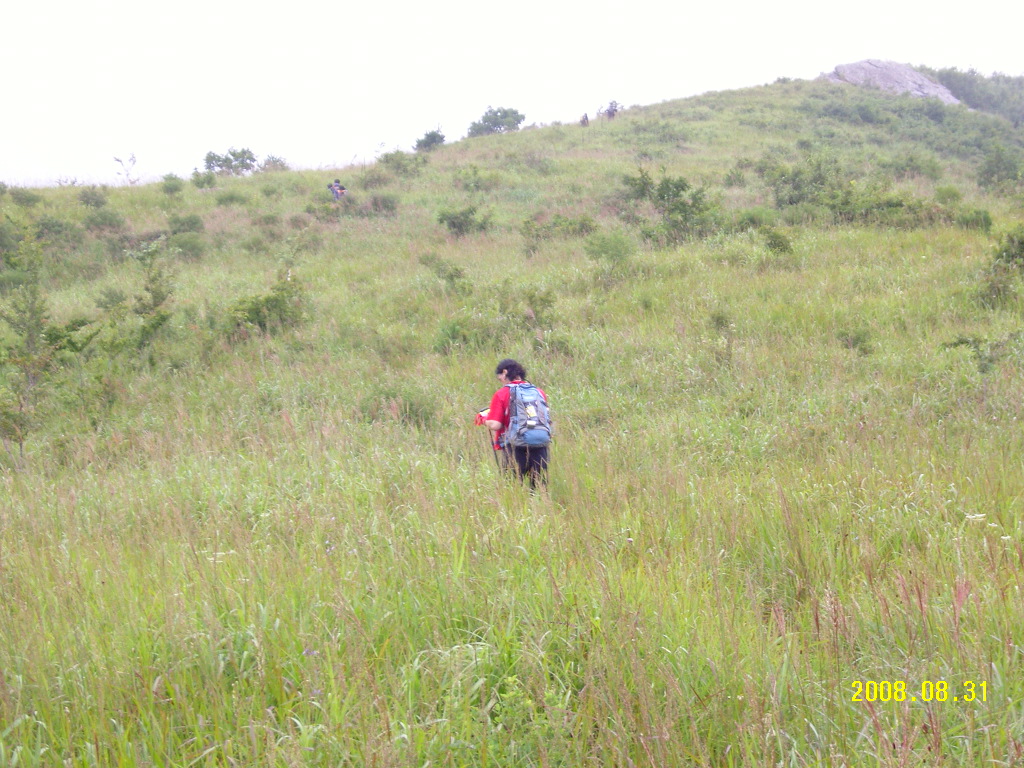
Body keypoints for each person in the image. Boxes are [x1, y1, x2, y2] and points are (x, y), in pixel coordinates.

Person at [475, 358, 550, 488]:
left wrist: (484, 419)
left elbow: (495, 424)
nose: (501, 382)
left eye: (500, 379)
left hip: (515, 448)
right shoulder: (539, 392)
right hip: (540, 446)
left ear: (504, 373)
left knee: (513, 490)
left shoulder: (502, 394)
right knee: (539, 491)